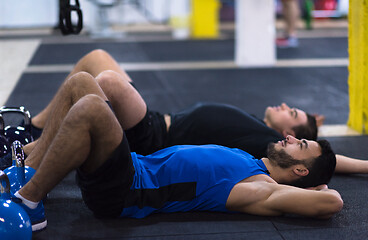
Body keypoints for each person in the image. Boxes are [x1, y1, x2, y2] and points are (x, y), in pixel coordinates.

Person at [10, 72, 342, 232]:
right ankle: (25, 172)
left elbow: (332, 203)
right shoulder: (252, 159)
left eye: (300, 145)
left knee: (92, 108)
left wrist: (317, 188)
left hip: (127, 191)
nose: (288, 138)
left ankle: (29, 202)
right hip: (131, 166)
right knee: (81, 82)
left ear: (300, 170)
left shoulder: (260, 188)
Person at [14, 49, 367, 176]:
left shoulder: (269, 143)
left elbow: (330, 162)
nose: (285, 108)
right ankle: (32, 129)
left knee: (106, 80)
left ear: (291, 135)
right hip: (153, 117)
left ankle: (30, 155)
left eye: (293, 114)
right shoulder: (258, 126)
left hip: (153, 137)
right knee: (96, 59)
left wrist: (364, 165)